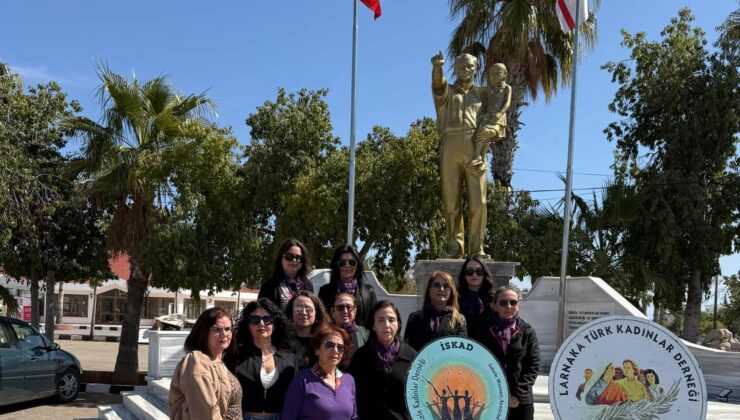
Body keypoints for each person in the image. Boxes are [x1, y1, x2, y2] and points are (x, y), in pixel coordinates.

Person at [431, 51, 489, 258]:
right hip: (451, 143)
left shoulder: (483, 94)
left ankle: (477, 248)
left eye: (469, 66)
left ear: (476, 69)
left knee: (479, 201)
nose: (465, 69)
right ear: (454, 69)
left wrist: (484, 148)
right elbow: (438, 87)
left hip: (475, 144)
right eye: (461, 66)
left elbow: (495, 120)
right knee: (451, 200)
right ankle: (455, 247)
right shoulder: (448, 92)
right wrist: (437, 68)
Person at [473, 286, 539, 420]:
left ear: (518, 306)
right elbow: (477, 364)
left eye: (513, 302)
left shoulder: (527, 331)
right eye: (503, 302)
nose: (508, 306)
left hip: (520, 402)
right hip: (490, 399)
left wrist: (517, 395)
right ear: (495, 306)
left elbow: (533, 366)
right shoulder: (484, 331)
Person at [169, 307, 241, 420]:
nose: (224, 334)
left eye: (228, 329)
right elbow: (208, 414)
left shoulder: (217, 361)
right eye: (217, 329)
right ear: (203, 332)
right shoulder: (197, 362)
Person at [349, 300, 417, 420]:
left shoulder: (412, 357)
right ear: (373, 326)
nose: (387, 325)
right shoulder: (361, 357)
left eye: (391, 320)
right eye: (381, 320)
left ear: (398, 324)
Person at [230, 299, 296, 420]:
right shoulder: (235, 356)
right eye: (255, 320)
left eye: (267, 319)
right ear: (248, 325)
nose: (261, 323)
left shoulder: (289, 357)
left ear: (274, 325)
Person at [282, 325, 359, 420]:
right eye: (329, 345)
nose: (335, 350)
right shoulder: (302, 380)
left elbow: (354, 417)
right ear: (316, 350)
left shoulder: (349, 380)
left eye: (340, 347)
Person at [404, 271, 467, 351]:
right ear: (429, 291)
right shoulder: (415, 318)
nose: (441, 289)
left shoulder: (459, 319)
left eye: (446, 286)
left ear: (451, 292)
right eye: (437, 285)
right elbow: (408, 351)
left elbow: (462, 351)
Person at [318, 245, 377, 327]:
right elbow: (321, 321)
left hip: (361, 339)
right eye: (342, 263)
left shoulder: (368, 292)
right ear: (336, 265)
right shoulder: (325, 292)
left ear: (357, 266)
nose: (347, 265)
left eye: (352, 262)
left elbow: (373, 322)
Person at [469, 63, 512, 170]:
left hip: (498, 119)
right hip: (486, 117)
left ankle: (477, 156)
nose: (495, 76)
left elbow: (507, 103)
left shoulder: (507, 88)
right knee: (481, 136)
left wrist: (500, 113)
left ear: (505, 74)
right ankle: (482, 160)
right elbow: (476, 89)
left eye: (498, 73)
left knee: (484, 133)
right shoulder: (489, 89)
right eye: (492, 74)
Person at [259, 238, 313, 310]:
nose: (294, 260)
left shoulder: (308, 285)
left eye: (298, 257)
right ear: (281, 258)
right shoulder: (269, 287)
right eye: (289, 256)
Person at [286, 290, 330, 368]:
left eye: (308, 309)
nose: (304, 312)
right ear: (291, 312)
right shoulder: (282, 341)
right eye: (298, 309)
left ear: (316, 313)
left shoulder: (323, 341)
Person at [456, 255, 495, 335]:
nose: (474, 275)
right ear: (464, 274)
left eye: (479, 271)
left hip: (486, 345)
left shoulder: (493, 298)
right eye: (470, 271)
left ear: (484, 274)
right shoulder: (455, 297)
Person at [331, 293, 369, 371]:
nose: (345, 311)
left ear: (355, 311)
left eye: (349, 307)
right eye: (340, 307)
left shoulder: (365, 333)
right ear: (333, 312)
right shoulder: (326, 334)